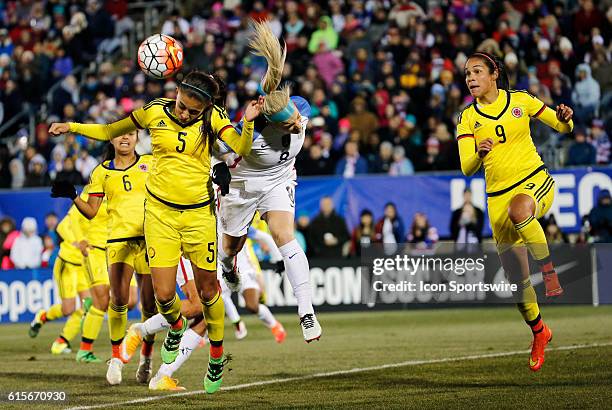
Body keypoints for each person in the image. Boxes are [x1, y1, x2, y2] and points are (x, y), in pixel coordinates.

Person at [49, 70, 259, 393]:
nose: (184, 113)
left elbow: (241, 147)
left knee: (206, 291)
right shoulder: (155, 110)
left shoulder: (214, 118)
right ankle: (173, 328)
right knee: (162, 296)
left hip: (198, 217)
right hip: (159, 216)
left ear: (205, 107)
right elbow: (109, 129)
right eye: (181, 105)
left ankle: (216, 356)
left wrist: (248, 121)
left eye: (192, 110)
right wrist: (71, 127)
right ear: (176, 93)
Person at [457, 51, 574, 372]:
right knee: (518, 280)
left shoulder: (521, 100)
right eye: (467, 74)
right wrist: (478, 153)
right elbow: (466, 167)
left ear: (494, 73)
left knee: (520, 208)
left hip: (534, 181)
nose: (470, 78)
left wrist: (565, 117)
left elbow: (563, 127)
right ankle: (540, 332)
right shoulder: (467, 118)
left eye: (477, 71)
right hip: (497, 199)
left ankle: (550, 273)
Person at [215, 20, 321, 342]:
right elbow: (215, 151)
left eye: (296, 120)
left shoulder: (297, 112)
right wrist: (214, 169)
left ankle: (306, 311)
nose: (298, 125)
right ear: (271, 125)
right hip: (242, 187)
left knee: (285, 237)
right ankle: (230, 267)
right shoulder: (243, 133)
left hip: (278, 181)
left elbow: (279, 98)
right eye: (288, 125)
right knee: (229, 250)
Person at [52, 131, 157, 383]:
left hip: (149, 240)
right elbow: (90, 212)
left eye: (130, 133)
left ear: (137, 138)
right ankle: (115, 359)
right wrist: (74, 196)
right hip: (116, 243)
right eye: (119, 135)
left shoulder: (150, 164)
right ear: (111, 140)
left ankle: (146, 359)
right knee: (116, 300)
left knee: (149, 305)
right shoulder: (100, 173)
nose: (125, 138)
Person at [121, 256, 208, 391]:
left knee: (206, 318)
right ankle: (141, 330)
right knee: (197, 304)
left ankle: (162, 375)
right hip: (190, 247)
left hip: (209, 252)